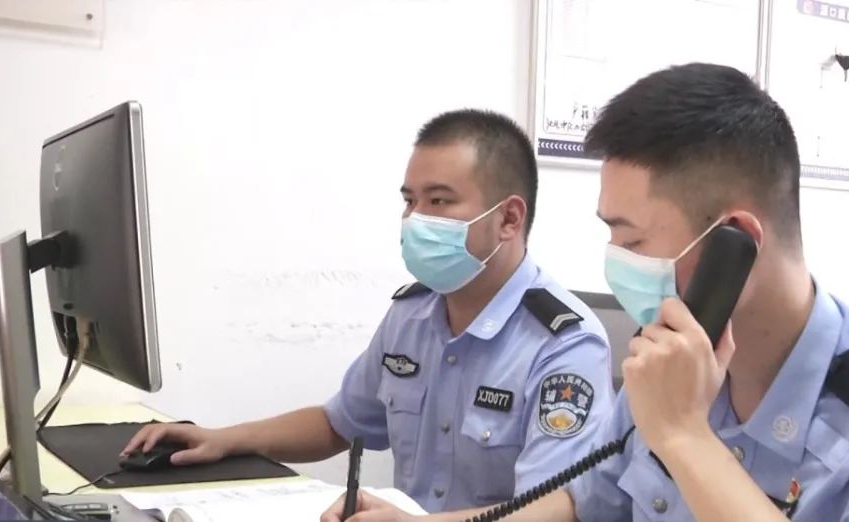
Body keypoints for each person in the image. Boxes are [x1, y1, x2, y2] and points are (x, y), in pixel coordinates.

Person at [322, 63, 849, 522]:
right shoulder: (667, 355)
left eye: (631, 240)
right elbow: (583, 501)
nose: (617, 263)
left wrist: (686, 436)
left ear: (736, 243)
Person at [122, 109, 616, 513]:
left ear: (508, 218)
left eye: (438, 201)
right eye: (410, 201)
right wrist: (223, 439)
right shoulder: (413, 314)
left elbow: (555, 509)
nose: (415, 220)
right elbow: (339, 423)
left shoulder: (564, 345)